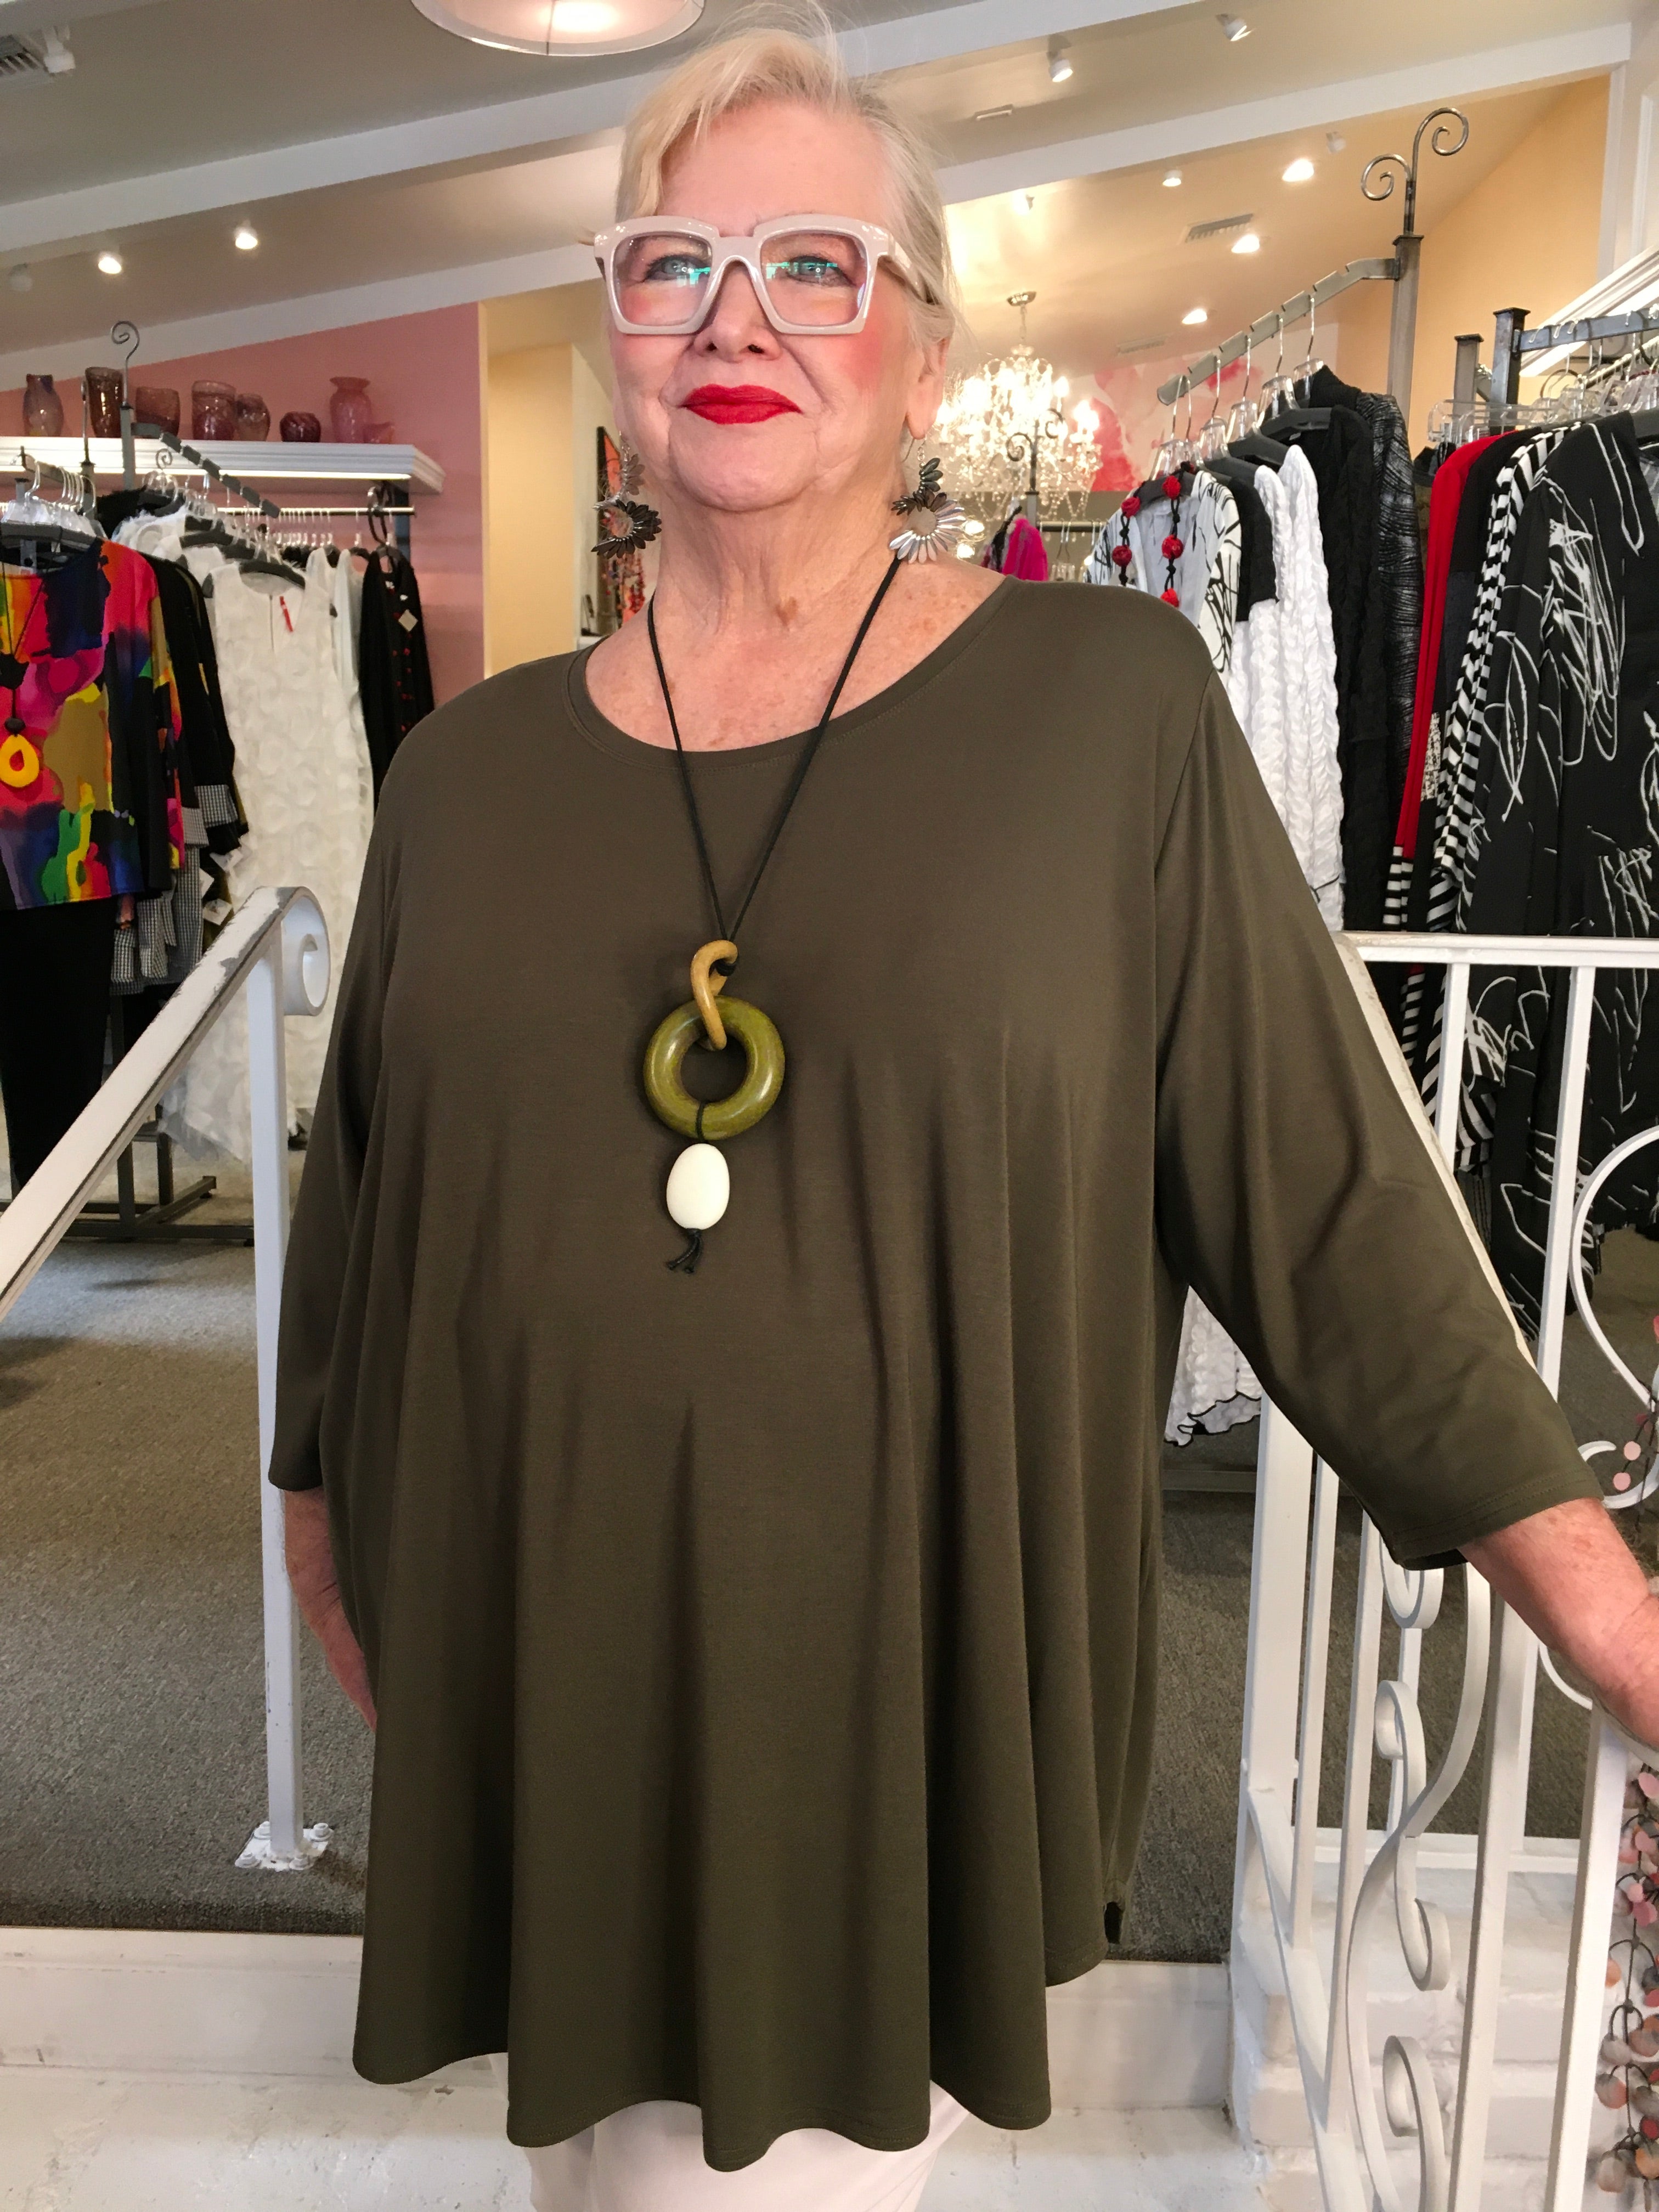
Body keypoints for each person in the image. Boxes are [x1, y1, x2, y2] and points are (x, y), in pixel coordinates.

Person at [270, 19, 1659, 2211]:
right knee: (597, 2166)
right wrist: (321, 1507)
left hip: (889, 1679)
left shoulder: (1108, 716)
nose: (735, 319)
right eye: (673, 262)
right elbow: (365, 1195)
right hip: (544, 1650)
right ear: (615, 333)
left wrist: (1598, 1599)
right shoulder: (464, 775)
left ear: (924, 353)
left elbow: (1321, 1186)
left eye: (813, 264)